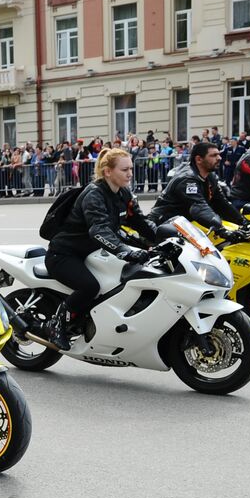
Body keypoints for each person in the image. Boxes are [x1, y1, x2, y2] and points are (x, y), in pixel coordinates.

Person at [42, 147, 163, 351]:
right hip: (64, 253)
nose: (130, 174)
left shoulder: (123, 193)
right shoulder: (94, 194)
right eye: (125, 170)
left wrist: (167, 238)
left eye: (131, 169)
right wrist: (125, 251)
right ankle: (57, 324)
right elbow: (99, 230)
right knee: (90, 287)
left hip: (91, 252)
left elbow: (141, 222)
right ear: (108, 172)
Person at [149, 142, 250, 242]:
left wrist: (243, 221)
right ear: (199, 159)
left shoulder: (210, 177)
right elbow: (199, 207)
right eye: (214, 155)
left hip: (185, 224)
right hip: (163, 226)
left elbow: (221, 202)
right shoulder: (187, 179)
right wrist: (221, 230)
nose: (219, 158)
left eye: (219, 155)